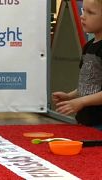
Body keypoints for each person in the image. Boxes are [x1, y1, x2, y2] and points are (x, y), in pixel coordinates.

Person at [52, 0, 102, 130]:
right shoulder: (88, 46)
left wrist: (81, 102)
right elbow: (89, 83)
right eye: (83, 10)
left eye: (90, 12)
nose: (83, 16)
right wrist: (70, 96)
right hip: (84, 120)